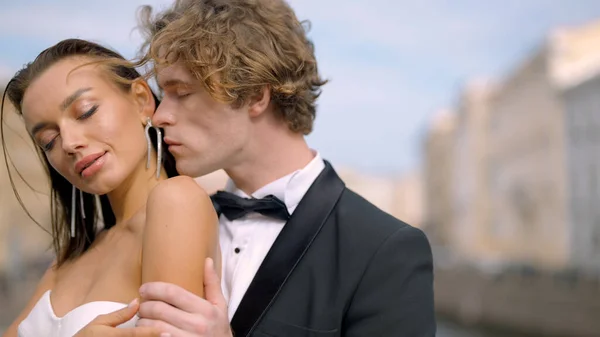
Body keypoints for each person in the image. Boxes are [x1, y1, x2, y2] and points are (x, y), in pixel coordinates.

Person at [126, 0, 437, 336]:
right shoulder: (175, 221)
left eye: (181, 93)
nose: (159, 116)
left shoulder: (386, 249)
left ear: (256, 97)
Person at [1, 39, 220, 337]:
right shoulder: (69, 256)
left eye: (85, 112)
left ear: (141, 100)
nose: (68, 143)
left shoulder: (176, 201)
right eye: (48, 141)